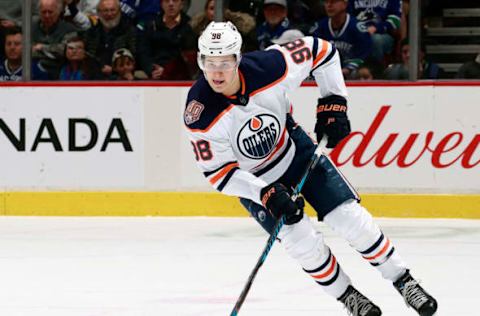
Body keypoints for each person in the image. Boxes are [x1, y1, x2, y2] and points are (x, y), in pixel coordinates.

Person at [183, 21, 438, 316]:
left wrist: (334, 100)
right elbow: (218, 174)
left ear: (237, 58)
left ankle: (403, 280)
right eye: (209, 62)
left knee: (350, 219)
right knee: (302, 243)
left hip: (296, 153)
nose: (216, 72)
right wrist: (263, 192)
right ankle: (349, 297)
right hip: (256, 181)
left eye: (224, 62)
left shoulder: (270, 66)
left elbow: (324, 51)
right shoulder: (199, 113)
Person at [310, 0, 372, 79]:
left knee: (363, 73)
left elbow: (363, 54)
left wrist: (347, 69)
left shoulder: (357, 28)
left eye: (333, 2)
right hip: (325, 72)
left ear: (345, 4)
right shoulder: (319, 28)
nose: (329, 5)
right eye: (326, 2)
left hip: (351, 71)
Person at [136, 0, 197, 80]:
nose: (171, 4)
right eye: (167, 1)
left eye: (175, 1)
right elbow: (143, 52)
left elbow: (189, 56)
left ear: (181, 4)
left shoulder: (189, 26)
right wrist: (151, 69)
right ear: (161, 4)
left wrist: (167, 71)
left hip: (179, 76)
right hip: (154, 74)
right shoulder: (151, 25)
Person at [83, 0, 136, 79]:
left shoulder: (130, 31)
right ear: (98, 13)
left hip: (120, 78)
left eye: (113, 10)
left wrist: (115, 70)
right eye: (105, 10)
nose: (109, 14)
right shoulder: (91, 33)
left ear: (119, 12)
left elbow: (135, 57)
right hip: (94, 78)